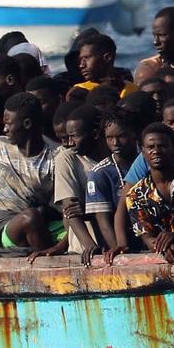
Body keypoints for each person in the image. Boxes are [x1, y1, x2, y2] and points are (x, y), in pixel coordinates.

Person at [0, 93, 62, 268]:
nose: (5, 129)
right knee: (30, 218)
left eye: (8, 123)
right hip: (5, 225)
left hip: (44, 220)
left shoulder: (55, 156)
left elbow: (59, 205)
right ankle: (53, 267)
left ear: (27, 124)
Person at [116, 123, 174, 262]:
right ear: (143, 152)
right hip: (164, 261)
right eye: (151, 147)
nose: (156, 151)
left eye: (162, 146)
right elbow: (147, 236)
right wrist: (163, 246)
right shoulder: (136, 194)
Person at [52, 105, 111, 261]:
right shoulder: (67, 158)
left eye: (75, 136)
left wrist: (89, 208)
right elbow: (70, 208)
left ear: (95, 134)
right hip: (83, 251)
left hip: (117, 245)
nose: (70, 143)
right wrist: (90, 246)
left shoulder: (116, 157)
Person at [84, 112, 140, 258]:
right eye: (110, 138)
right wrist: (120, 250)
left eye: (121, 136)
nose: (115, 143)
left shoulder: (148, 161)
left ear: (134, 133)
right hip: (121, 245)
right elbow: (103, 221)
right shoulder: (99, 173)